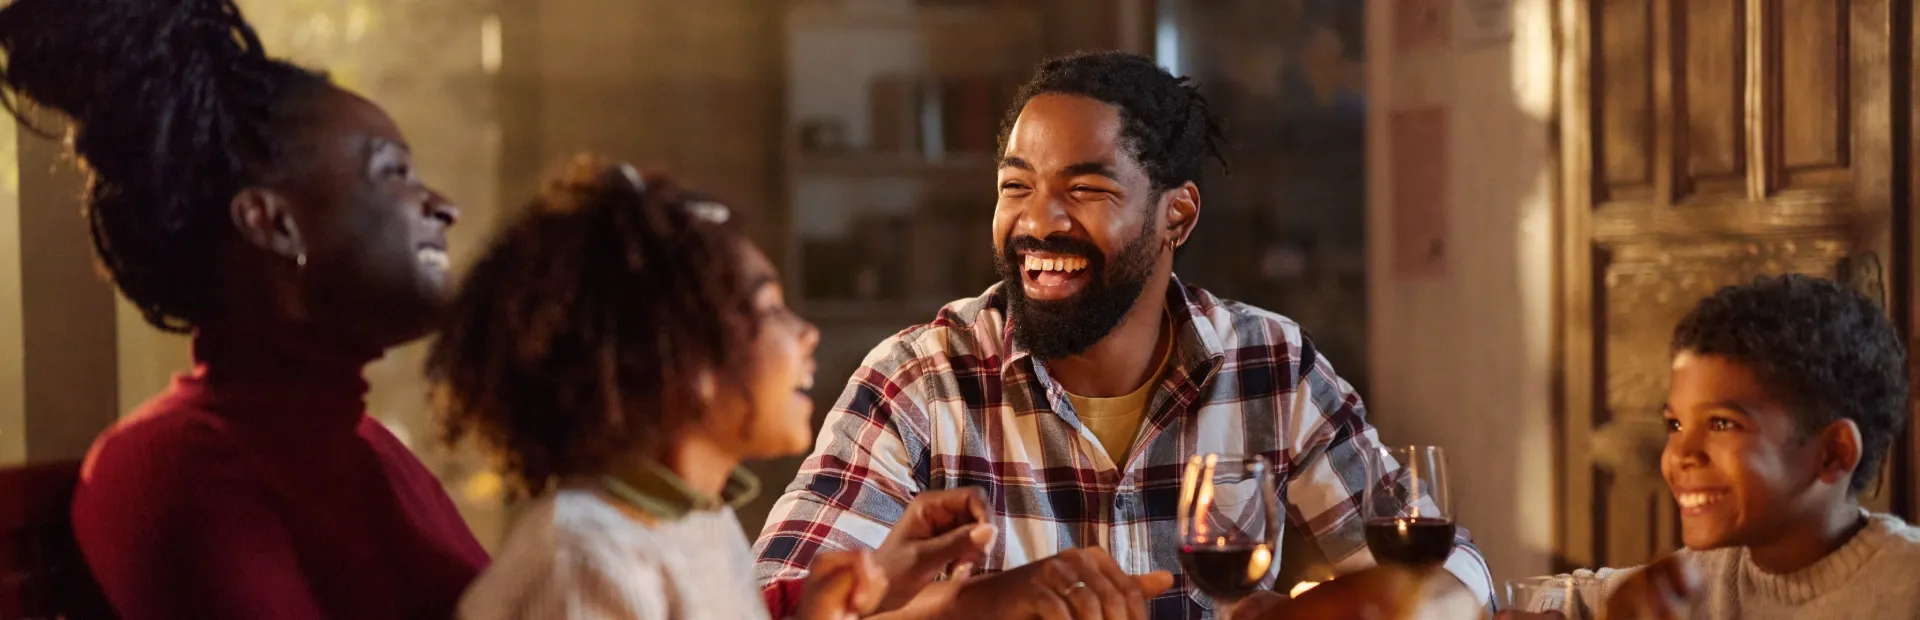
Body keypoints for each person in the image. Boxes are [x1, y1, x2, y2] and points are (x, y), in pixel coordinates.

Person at [754, 50, 1492, 619]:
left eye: (1085, 188)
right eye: (1016, 186)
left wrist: (1316, 610)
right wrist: (987, 604)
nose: (1039, 221)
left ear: (1177, 215)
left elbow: (1453, 582)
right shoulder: (922, 380)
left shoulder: (1269, 363)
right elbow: (774, 600)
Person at [0, 0, 488, 617]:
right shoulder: (176, 466)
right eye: (392, 172)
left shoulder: (368, 448)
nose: (443, 205)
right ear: (271, 221)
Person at [434, 156, 997, 619]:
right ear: (688, 359)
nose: (806, 333)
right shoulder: (587, 559)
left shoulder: (701, 518)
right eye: (770, 310)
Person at [1500, 274, 1920, 620]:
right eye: (1675, 424)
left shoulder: (1905, 589)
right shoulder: (1712, 574)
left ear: (1834, 453)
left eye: (1721, 423)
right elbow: (1577, 597)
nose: (1681, 454)